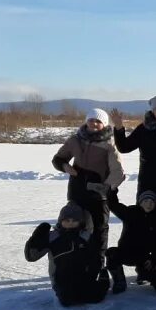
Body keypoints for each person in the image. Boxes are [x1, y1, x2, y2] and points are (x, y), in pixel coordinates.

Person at [51, 108, 125, 272]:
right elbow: (58, 159)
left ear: (104, 124)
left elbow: (118, 172)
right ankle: (75, 263)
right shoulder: (75, 140)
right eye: (91, 120)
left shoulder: (109, 144)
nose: (94, 123)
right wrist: (65, 167)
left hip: (98, 196)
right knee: (74, 228)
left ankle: (98, 266)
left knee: (98, 230)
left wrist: (105, 187)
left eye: (98, 121)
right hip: (76, 193)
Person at [24, 202, 109, 306]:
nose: (70, 223)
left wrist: (93, 273)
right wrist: (36, 238)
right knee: (67, 300)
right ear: (61, 220)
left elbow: (94, 257)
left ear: (80, 222)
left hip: (83, 276)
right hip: (61, 279)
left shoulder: (85, 236)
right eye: (67, 220)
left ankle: (103, 282)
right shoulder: (53, 237)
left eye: (75, 221)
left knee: (95, 297)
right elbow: (31, 256)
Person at [106, 188, 156, 292]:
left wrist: (154, 259)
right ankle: (119, 281)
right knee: (111, 253)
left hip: (143, 257)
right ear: (140, 202)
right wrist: (112, 191)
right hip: (125, 252)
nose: (149, 204)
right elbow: (114, 205)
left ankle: (142, 274)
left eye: (152, 202)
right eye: (146, 201)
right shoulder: (130, 212)